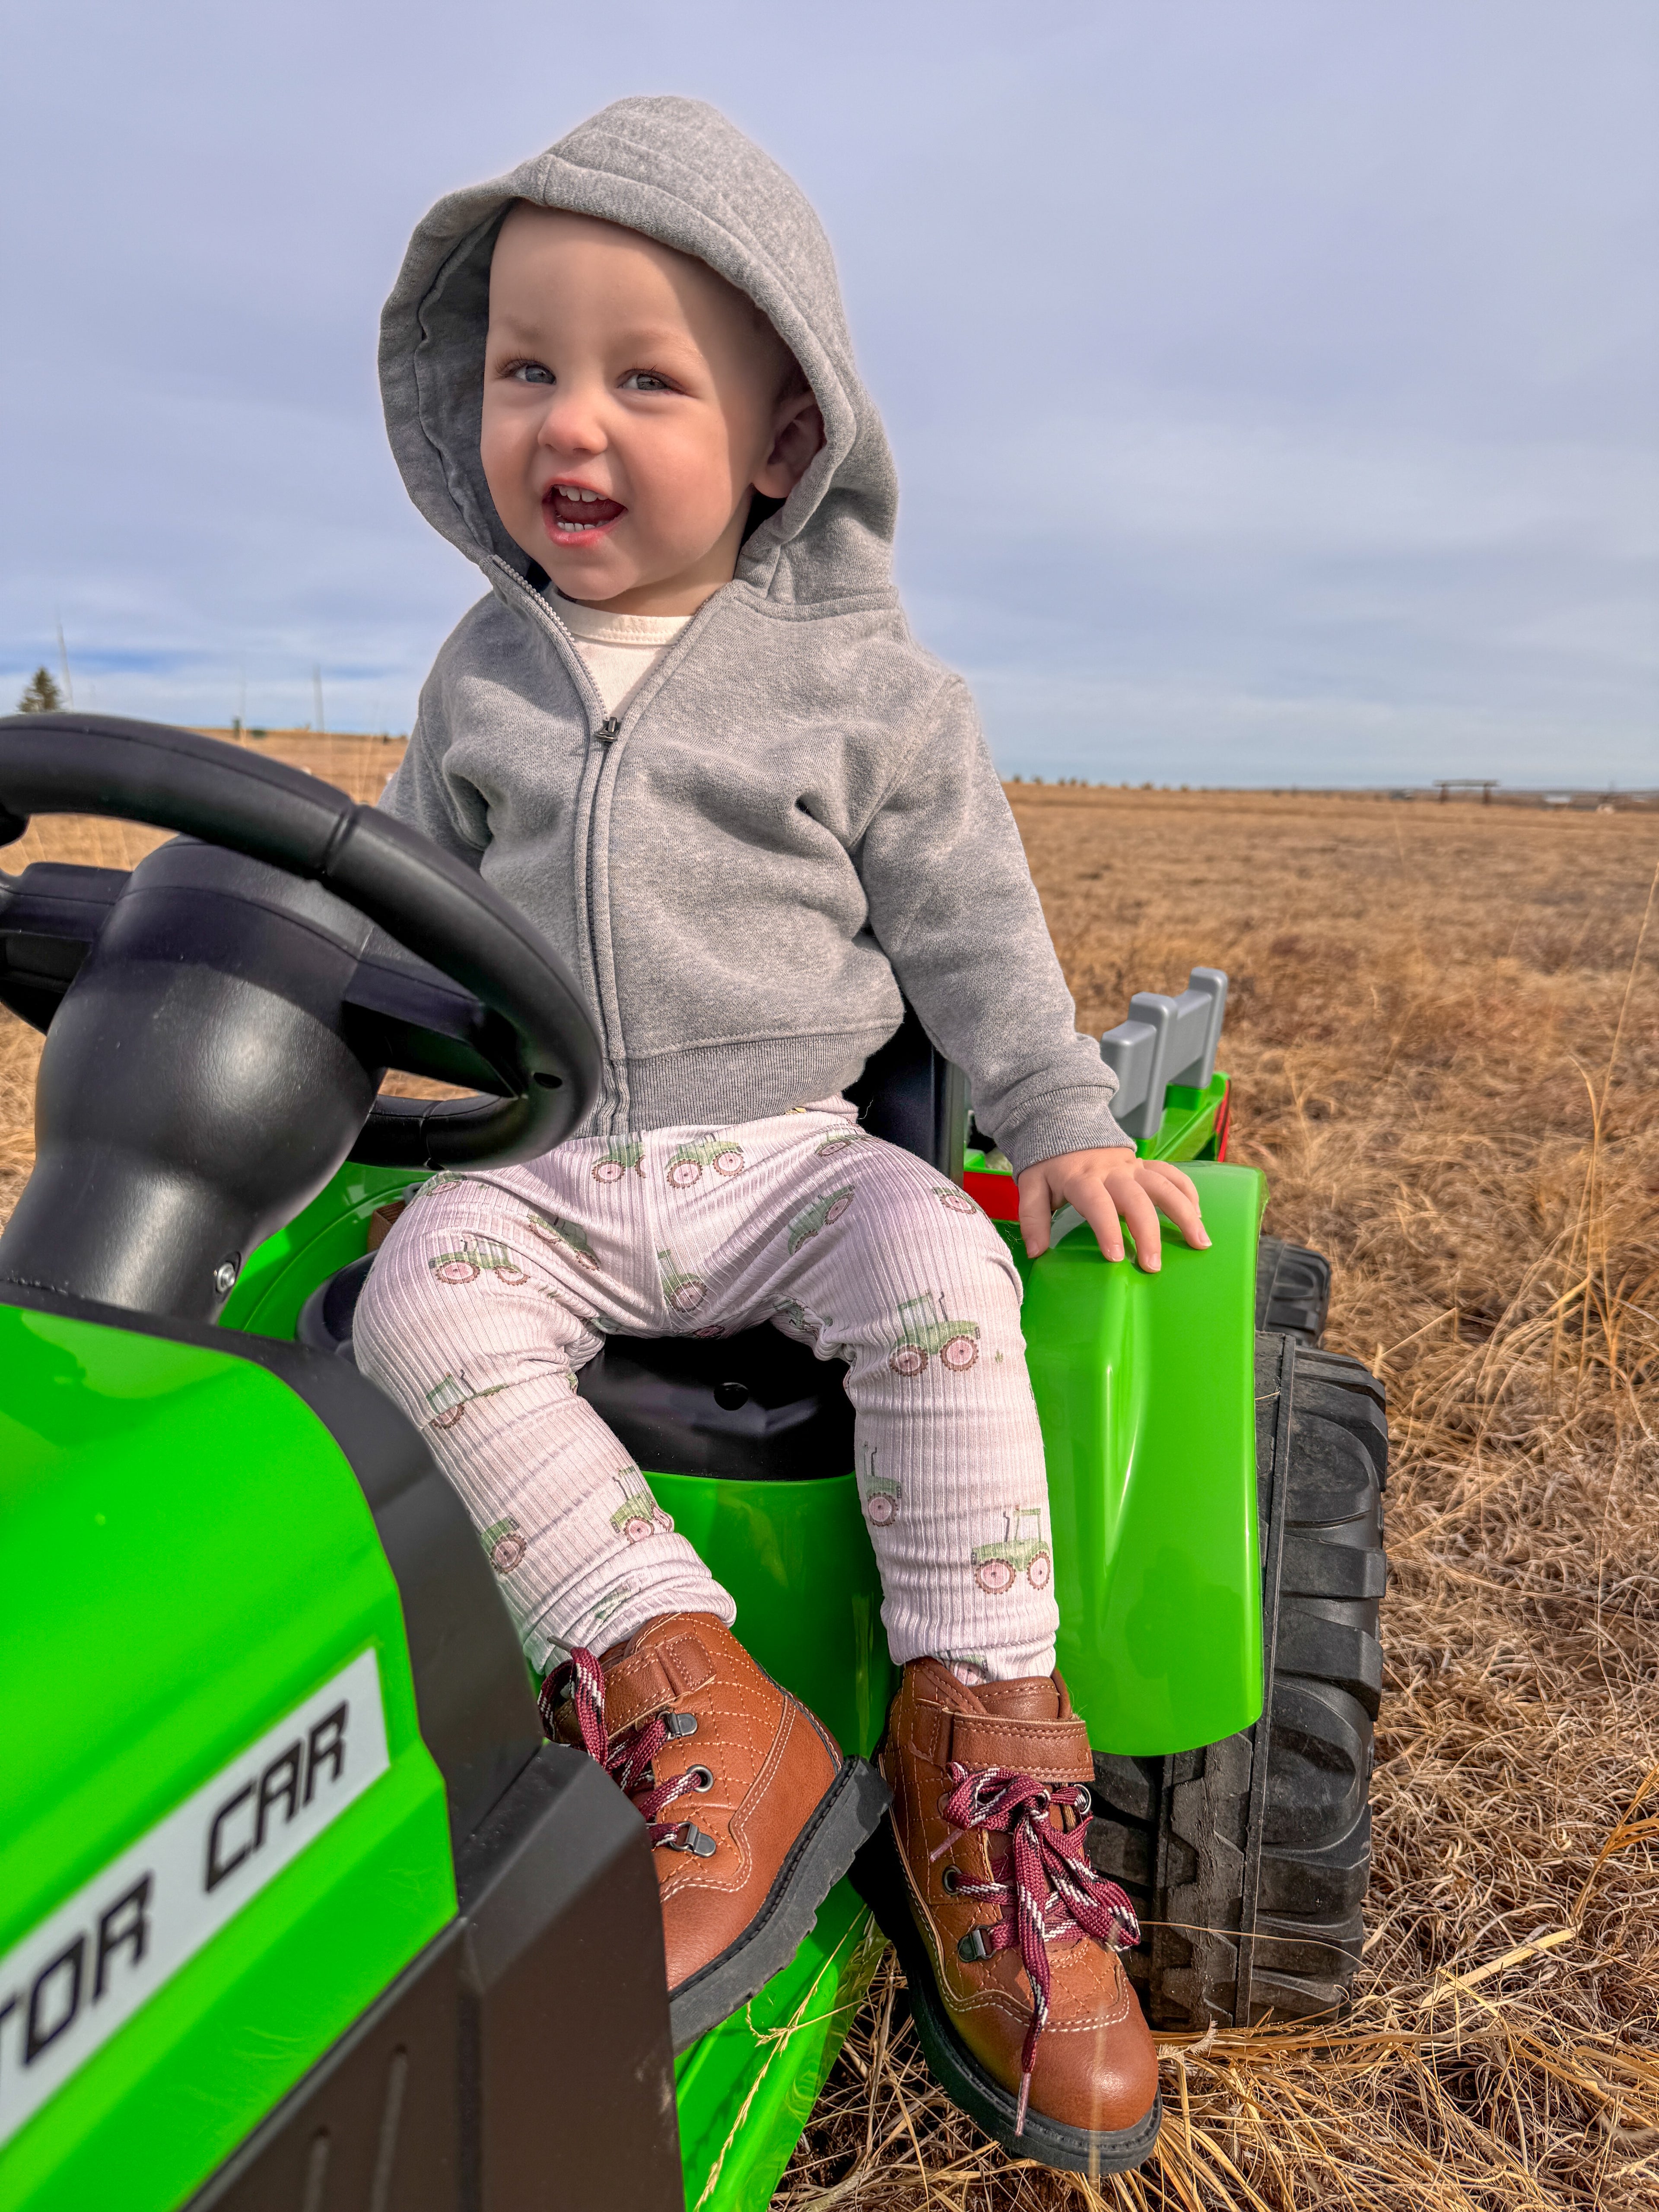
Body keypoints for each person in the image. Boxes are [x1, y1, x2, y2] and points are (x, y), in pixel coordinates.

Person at [357, 95, 1206, 2173]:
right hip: (548, 1166)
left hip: (784, 1152)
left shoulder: (869, 688)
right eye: (525, 371)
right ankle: (691, 1682)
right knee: (409, 1298)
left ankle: (981, 1768)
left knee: (944, 1268)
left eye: (645, 379)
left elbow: (971, 929)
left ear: (782, 438)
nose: (573, 419)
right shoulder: (482, 674)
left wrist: (1065, 1118)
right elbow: (395, 913)